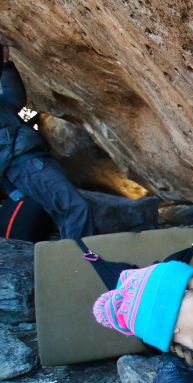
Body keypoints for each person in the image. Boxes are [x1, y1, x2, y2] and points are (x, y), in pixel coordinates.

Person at [0, 42, 94, 238]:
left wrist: (5, 65)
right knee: (76, 208)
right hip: (27, 165)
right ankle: (80, 260)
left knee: (66, 211)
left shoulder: (4, 108)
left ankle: (74, 257)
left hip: (34, 162)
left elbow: (15, 98)